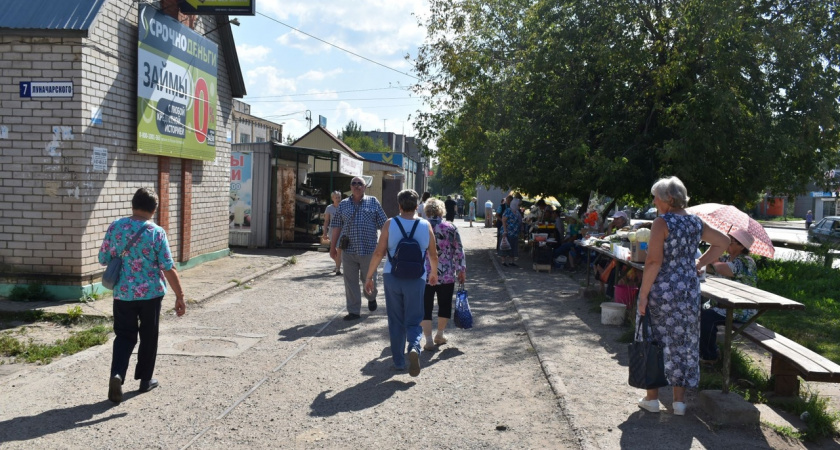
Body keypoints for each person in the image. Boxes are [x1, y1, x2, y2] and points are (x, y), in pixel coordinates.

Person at [636, 176, 729, 416]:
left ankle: (652, 399)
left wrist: (643, 295)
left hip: (663, 291)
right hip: (688, 291)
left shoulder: (661, 223)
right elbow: (723, 242)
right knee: (683, 342)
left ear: (668, 198)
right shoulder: (695, 223)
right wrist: (699, 263)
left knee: (654, 340)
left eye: (656, 196)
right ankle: (679, 403)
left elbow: (654, 261)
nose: (654, 200)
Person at [98, 187, 186, 404]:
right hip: (150, 295)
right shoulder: (156, 232)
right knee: (149, 336)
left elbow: (103, 258)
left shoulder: (116, 227)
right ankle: (145, 380)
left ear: (133, 205)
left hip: (123, 294)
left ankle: (117, 374)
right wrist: (180, 295)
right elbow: (168, 266)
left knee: (124, 336)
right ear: (154, 209)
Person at [364, 190, 438, 376]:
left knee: (395, 320)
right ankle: (413, 347)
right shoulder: (425, 224)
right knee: (414, 319)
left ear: (399, 205)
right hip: (417, 278)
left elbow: (379, 253)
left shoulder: (390, 223)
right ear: (416, 206)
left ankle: (398, 362)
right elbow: (433, 254)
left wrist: (369, 276)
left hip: (392, 276)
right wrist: (434, 273)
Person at [330, 176, 388, 321]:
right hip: (348, 250)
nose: (356, 186)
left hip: (369, 250)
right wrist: (333, 247)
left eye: (359, 183)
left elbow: (384, 224)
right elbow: (336, 225)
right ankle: (354, 311)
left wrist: (385, 244)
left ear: (365, 187)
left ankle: (371, 297)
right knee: (350, 282)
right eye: (354, 183)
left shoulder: (373, 202)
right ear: (350, 187)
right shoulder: (343, 204)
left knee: (369, 278)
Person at [699, 228, 758, 362]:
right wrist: (709, 259)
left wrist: (713, 260)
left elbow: (723, 269)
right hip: (725, 303)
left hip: (742, 308)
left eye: (731, 242)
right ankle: (702, 349)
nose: (727, 245)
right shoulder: (726, 258)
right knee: (697, 308)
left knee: (708, 317)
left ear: (742, 246)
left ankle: (710, 356)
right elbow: (708, 268)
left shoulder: (745, 261)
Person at [421, 198, 466, 351]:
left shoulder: (421, 227)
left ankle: (427, 340)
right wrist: (461, 270)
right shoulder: (450, 227)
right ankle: (439, 335)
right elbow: (459, 250)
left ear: (426, 211)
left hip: (424, 273)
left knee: (425, 306)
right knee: (444, 304)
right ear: (442, 211)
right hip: (446, 273)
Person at [322, 191, 343, 275]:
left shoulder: (343, 207)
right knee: (332, 253)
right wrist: (324, 233)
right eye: (336, 197)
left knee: (339, 249)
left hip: (342, 230)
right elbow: (326, 221)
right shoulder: (329, 208)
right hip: (332, 231)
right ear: (332, 198)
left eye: (339, 197)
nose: (337, 199)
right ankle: (338, 263)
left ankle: (338, 268)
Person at [500, 194, 522, 267]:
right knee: (506, 246)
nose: (519, 206)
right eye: (518, 205)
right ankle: (503, 261)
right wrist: (505, 231)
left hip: (514, 232)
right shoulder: (508, 210)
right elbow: (503, 220)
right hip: (508, 232)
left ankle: (511, 261)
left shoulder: (517, 212)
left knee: (513, 246)